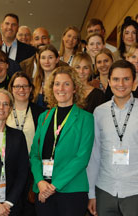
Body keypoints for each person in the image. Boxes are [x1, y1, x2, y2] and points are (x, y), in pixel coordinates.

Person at [87, 60, 138, 216]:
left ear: (134, 82)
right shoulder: (99, 112)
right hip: (105, 189)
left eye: (126, 79)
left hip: (137, 190)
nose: (120, 83)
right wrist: (91, 193)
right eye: (115, 79)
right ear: (109, 82)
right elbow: (94, 156)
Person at [30, 66, 94, 216]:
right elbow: (34, 155)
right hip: (42, 189)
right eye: (57, 84)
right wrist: (40, 181)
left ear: (75, 88)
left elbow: (82, 158)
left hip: (71, 191)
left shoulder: (86, 119)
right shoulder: (43, 117)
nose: (61, 88)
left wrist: (53, 187)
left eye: (66, 84)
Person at [6, 72, 46, 151]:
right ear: (11, 89)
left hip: (32, 161)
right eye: (17, 86)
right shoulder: (4, 111)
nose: (21, 90)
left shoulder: (41, 113)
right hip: (9, 161)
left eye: (25, 86)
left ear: (30, 89)